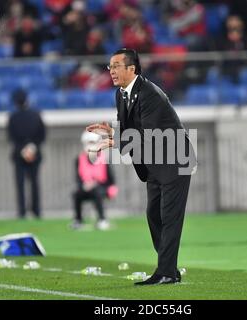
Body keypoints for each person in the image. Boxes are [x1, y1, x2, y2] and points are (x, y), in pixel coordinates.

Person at [86, 48, 196, 285]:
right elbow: (131, 132)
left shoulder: (150, 94)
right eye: (109, 66)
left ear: (131, 69)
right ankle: (169, 268)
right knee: (153, 215)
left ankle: (166, 272)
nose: (111, 71)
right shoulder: (121, 94)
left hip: (175, 160)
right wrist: (114, 133)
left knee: (169, 217)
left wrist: (116, 141)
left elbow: (150, 135)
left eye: (116, 66)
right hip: (154, 161)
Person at [7, 89, 46, 219]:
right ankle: (36, 211)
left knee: (20, 184)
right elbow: (42, 135)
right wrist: (32, 148)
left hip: (19, 155)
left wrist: (23, 150)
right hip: (34, 154)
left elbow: (12, 137)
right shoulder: (36, 115)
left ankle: (22, 212)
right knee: (35, 183)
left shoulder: (13, 117)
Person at [71, 131, 118, 231]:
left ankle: (102, 220)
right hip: (86, 188)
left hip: (102, 188)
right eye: (88, 143)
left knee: (97, 192)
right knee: (76, 194)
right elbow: (78, 178)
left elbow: (110, 180)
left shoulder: (104, 159)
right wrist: (84, 185)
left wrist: (96, 183)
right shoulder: (79, 159)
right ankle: (78, 221)